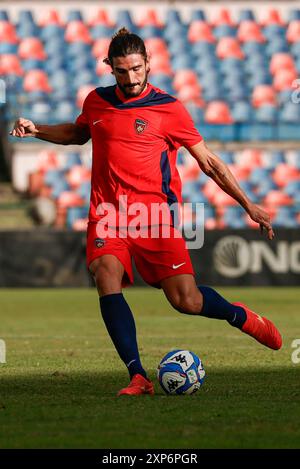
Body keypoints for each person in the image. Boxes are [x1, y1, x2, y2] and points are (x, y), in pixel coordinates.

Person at [10, 28, 282, 396]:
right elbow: (78, 134)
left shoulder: (169, 108)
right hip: (108, 213)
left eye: (137, 69)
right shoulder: (96, 102)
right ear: (110, 68)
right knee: (106, 274)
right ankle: (137, 375)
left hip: (155, 218)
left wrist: (248, 204)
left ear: (148, 63)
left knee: (186, 301)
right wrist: (37, 129)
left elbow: (210, 164)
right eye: (122, 71)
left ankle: (241, 316)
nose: (131, 78)